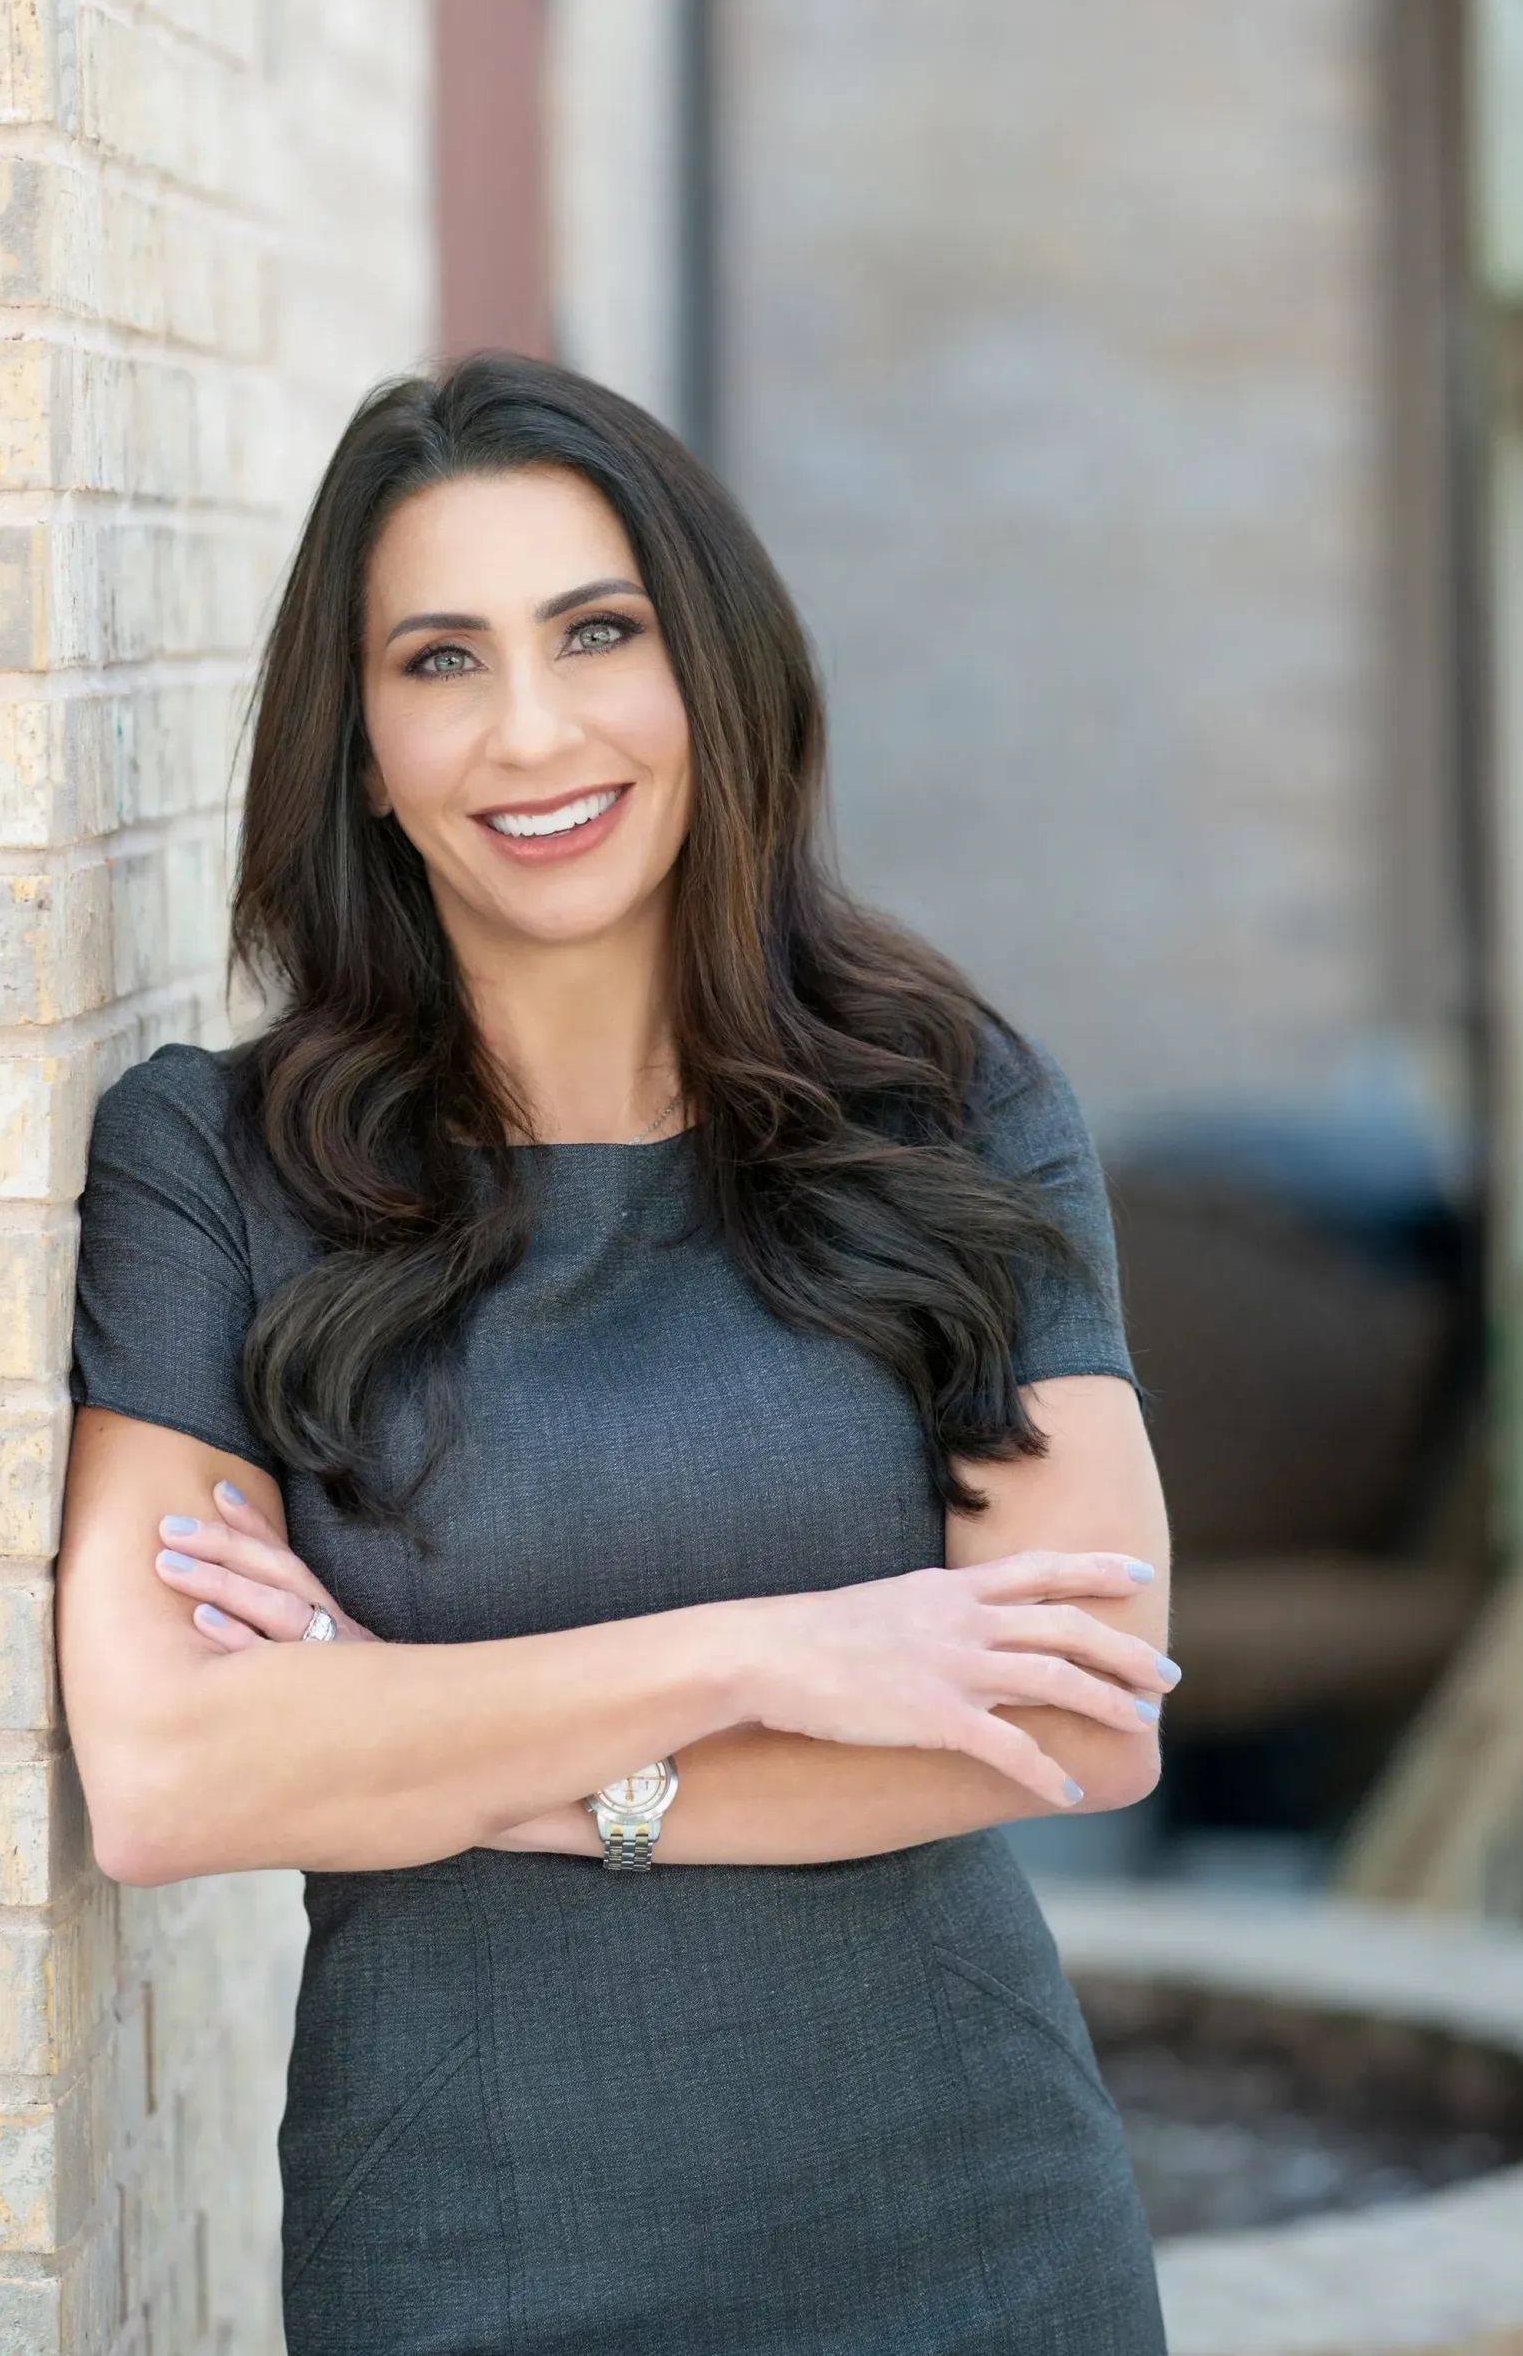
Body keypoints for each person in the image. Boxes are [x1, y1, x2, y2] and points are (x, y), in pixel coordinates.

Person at [58, 353, 1175, 2353]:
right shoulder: (214, 1164)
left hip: (973, 2236)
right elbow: (165, 1771)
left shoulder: (950, 1103)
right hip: (470, 2248)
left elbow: (1080, 1710)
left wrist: (416, 1739)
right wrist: (770, 1653)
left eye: (599, 630)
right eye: (440, 658)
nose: (533, 728)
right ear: (363, 745)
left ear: (712, 671)